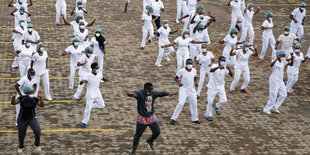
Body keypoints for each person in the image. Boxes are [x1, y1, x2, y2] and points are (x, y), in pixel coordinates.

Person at [127, 82, 174, 155]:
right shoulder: (139, 93)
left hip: (151, 118)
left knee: (157, 132)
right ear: (146, 89)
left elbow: (161, 93)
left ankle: (150, 140)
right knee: (138, 135)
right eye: (151, 89)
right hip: (142, 119)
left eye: (152, 89)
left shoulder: (153, 94)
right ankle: (133, 151)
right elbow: (129, 93)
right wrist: (132, 94)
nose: (152, 90)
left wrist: (168, 93)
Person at [11, 86, 43, 153]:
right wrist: (13, 97)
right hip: (22, 118)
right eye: (31, 91)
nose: (33, 91)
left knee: (37, 131)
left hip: (32, 117)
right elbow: (13, 103)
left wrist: (41, 98)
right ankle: (21, 146)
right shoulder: (22, 98)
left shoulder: (35, 99)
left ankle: (37, 144)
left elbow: (41, 105)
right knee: (21, 134)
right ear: (27, 92)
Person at [263, 50, 294, 115]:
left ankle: (275, 107)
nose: (284, 56)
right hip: (274, 80)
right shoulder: (275, 60)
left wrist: (292, 58)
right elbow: (271, 65)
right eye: (283, 55)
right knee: (273, 95)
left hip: (280, 80)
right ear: (279, 55)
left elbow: (291, 64)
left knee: (284, 94)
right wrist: (277, 58)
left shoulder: (283, 61)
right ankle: (266, 109)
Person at [171, 59, 200, 125]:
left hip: (192, 90)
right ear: (186, 64)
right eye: (188, 64)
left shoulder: (194, 70)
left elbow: (195, 77)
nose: (189, 65)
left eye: (191, 64)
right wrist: (179, 82)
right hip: (183, 89)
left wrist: (195, 82)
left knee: (194, 104)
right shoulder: (182, 71)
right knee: (181, 103)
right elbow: (176, 78)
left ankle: (195, 118)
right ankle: (173, 118)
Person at [80, 62, 108, 128]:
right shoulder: (88, 75)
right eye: (96, 68)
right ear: (92, 69)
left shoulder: (99, 73)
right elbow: (80, 83)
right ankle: (84, 122)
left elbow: (102, 77)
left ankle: (89, 105)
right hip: (90, 94)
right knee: (88, 110)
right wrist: (82, 81)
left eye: (98, 67)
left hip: (97, 92)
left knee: (102, 105)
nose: (98, 68)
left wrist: (106, 80)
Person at [206, 56, 233, 121]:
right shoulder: (214, 66)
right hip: (212, 87)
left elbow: (231, 75)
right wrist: (218, 67)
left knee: (224, 100)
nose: (223, 62)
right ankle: (208, 115)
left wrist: (229, 69)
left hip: (221, 87)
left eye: (224, 61)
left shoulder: (225, 68)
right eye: (222, 60)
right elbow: (211, 70)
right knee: (210, 102)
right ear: (219, 61)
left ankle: (217, 107)